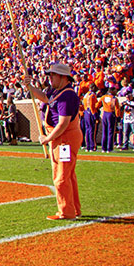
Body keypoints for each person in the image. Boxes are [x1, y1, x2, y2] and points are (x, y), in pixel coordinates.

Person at [23, 63, 83, 221]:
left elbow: (63, 123)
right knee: (68, 175)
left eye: (53, 75)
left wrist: (47, 138)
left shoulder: (67, 96)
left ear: (63, 77)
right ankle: (74, 208)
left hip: (64, 139)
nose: (50, 78)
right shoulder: (56, 91)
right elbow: (45, 98)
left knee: (61, 176)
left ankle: (66, 212)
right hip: (60, 137)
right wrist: (31, 87)